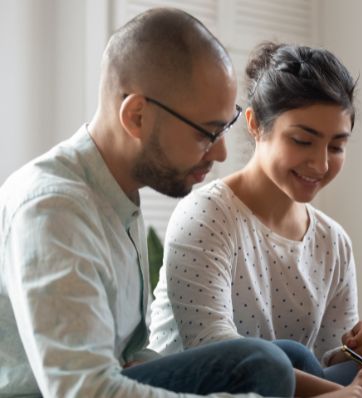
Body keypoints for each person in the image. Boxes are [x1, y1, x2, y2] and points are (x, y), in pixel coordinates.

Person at [0, 8, 298, 397]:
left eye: (225, 125)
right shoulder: (53, 209)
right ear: (136, 116)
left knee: (284, 358)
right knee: (267, 369)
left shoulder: (117, 193)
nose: (222, 153)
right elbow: (82, 390)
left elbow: (128, 356)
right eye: (207, 132)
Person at [148, 42, 362, 398]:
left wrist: (361, 349)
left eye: (336, 146)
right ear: (254, 124)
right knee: (285, 355)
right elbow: (215, 348)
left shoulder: (332, 241)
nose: (321, 164)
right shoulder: (207, 215)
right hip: (208, 389)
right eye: (302, 141)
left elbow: (328, 359)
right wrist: (346, 394)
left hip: (285, 384)